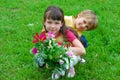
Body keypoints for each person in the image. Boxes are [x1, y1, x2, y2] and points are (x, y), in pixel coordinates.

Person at [35, 6, 86, 79]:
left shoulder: (67, 33)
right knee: (40, 56)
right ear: (44, 22)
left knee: (66, 62)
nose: (52, 26)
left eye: (56, 23)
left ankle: (67, 67)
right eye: (49, 22)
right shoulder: (44, 35)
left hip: (70, 55)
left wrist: (61, 49)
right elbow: (42, 47)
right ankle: (59, 66)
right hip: (56, 55)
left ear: (61, 23)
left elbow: (82, 51)